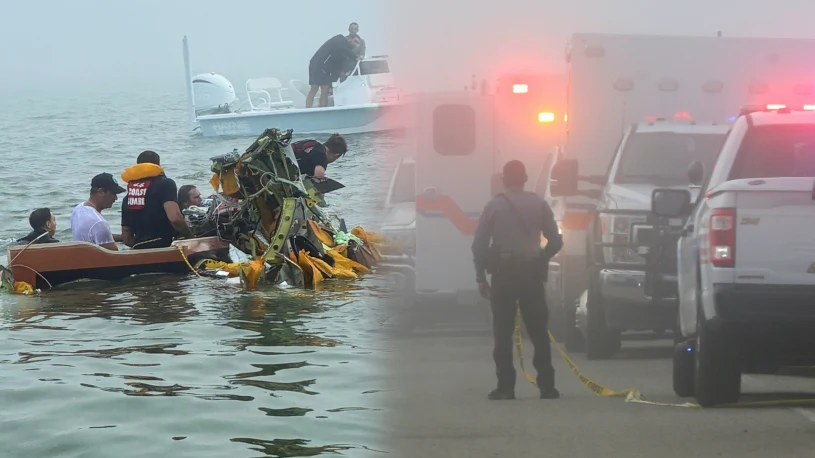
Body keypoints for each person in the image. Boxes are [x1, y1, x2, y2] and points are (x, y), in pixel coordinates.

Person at [471, 160, 564, 401]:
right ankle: (547, 387)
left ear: (504, 180)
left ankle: (505, 387)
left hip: (503, 276)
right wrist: (542, 257)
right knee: (539, 332)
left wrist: (481, 277)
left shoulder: (494, 206)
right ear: (525, 179)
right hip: (531, 274)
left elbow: (479, 245)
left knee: (502, 332)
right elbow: (556, 240)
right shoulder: (539, 204)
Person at [121, 150, 193, 249]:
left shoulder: (129, 196)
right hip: (165, 247)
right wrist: (190, 237)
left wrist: (142, 248)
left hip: (139, 250)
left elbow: (126, 238)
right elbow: (175, 218)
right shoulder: (165, 184)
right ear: (158, 165)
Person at [70, 173, 126, 251]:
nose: (115, 198)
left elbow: (95, 235)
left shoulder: (78, 209)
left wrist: (123, 237)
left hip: (80, 256)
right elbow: (115, 256)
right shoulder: (98, 222)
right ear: (100, 192)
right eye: (113, 193)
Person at [306, 34, 361, 108]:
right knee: (314, 88)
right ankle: (307, 109)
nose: (356, 45)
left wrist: (332, 83)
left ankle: (323, 109)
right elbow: (343, 48)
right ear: (350, 39)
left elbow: (338, 68)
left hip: (326, 70)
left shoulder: (345, 54)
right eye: (355, 41)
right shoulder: (339, 39)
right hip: (316, 65)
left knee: (325, 89)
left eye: (357, 44)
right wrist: (355, 57)